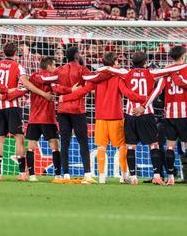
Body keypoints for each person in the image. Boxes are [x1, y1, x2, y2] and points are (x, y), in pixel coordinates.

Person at [58, 51, 145, 184]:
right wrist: (144, 99)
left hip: (100, 118)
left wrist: (64, 98)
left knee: (101, 147)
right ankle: (124, 175)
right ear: (113, 63)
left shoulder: (96, 79)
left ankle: (102, 177)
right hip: (116, 117)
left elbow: (82, 91)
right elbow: (128, 93)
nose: (119, 63)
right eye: (117, 61)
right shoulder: (118, 78)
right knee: (121, 146)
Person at [148, 45, 187, 186]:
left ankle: (170, 177)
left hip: (169, 115)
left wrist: (145, 104)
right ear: (183, 56)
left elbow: (157, 91)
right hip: (185, 115)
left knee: (170, 147)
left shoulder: (166, 72)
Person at [123, 51, 165, 185]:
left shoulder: (126, 74)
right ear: (145, 62)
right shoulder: (151, 73)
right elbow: (164, 76)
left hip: (130, 114)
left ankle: (133, 177)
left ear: (132, 62)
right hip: (146, 113)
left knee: (131, 147)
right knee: (154, 145)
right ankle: (157, 176)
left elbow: (111, 71)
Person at [52, 46, 93, 182]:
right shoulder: (83, 70)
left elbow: (54, 87)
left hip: (62, 110)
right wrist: (72, 91)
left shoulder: (59, 70)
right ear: (76, 55)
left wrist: (66, 92)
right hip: (77, 110)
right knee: (83, 141)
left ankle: (66, 174)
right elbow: (91, 84)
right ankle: (87, 173)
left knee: (65, 141)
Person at [0, 42, 27, 181]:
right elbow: (23, 88)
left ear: (3, 52)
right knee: (18, 139)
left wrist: (1, 94)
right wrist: (8, 93)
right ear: (15, 53)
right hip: (13, 107)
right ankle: (22, 174)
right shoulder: (18, 66)